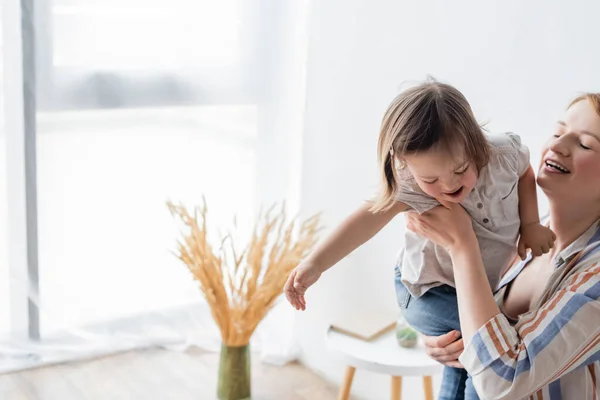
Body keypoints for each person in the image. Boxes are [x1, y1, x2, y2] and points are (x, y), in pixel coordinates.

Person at [284, 78, 554, 399]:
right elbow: (365, 220)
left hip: (477, 287)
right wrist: (314, 265)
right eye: (431, 179)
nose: (449, 185)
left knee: (462, 359)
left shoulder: (504, 154)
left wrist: (531, 223)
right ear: (405, 165)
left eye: (461, 169)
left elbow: (524, 171)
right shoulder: (409, 185)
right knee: (488, 343)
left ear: (477, 143)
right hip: (426, 289)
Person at [408, 93, 600, 399]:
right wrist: (441, 339)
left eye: (586, 144)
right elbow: (477, 322)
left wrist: (462, 245)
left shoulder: (595, 275)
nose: (558, 145)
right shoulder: (522, 229)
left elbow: (502, 382)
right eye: (559, 131)